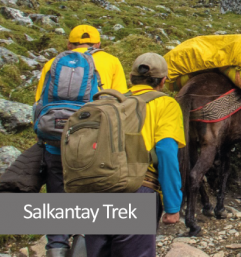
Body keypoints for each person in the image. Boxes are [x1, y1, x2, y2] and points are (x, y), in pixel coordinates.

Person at [33, 25, 128, 257]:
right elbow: (122, 106)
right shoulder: (111, 61)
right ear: (98, 43)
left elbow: (38, 105)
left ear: (69, 44)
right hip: (93, 148)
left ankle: (56, 246)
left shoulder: (53, 63)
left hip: (56, 144)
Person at [85, 53, 184, 257]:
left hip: (97, 190)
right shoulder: (166, 105)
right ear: (163, 81)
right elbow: (166, 151)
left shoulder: (112, 103)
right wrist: (172, 205)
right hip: (136, 190)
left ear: (131, 78)